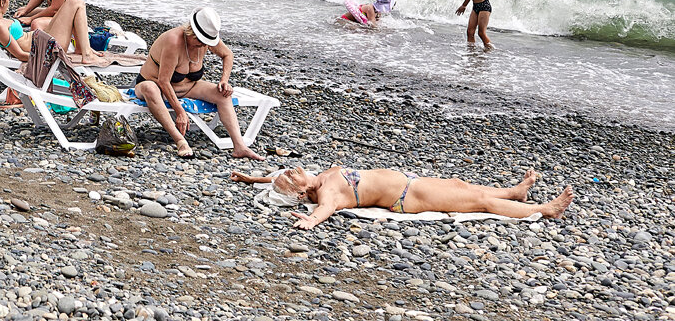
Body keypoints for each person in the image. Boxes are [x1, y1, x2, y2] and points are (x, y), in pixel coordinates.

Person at [232, 166, 572, 230]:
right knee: (479, 203)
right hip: (409, 197)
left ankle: (514, 192)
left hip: (411, 183)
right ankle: (542, 209)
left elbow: (278, 178)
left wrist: (255, 179)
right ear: (301, 191)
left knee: (461, 187)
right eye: (291, 176)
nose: (292, 169)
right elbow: (326, 210)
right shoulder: (326, 190)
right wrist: (310, 220)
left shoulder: (318, 176)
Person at [134, 7, 260, 160]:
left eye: (206, 42)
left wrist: (224, 81)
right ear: (191, 32)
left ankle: (239, 146)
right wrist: (180, 111)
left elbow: (228, 54)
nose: (203, 45)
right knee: (150, 88)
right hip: (155, 85)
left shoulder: (206, 38)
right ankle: (180, 141)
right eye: (200, 41)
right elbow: (163, 81)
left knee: (223, 94)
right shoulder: (174, 40)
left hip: (188, 86)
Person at [0, 0, 115, 67]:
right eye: (8, 0)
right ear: (1, 2)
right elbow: (20, 54)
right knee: (75, 2)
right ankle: (87, 55)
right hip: (45, 47)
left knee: (72, 8)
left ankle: (83, 50)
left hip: (41, 39)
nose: (9, 3)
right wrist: (50, 58)